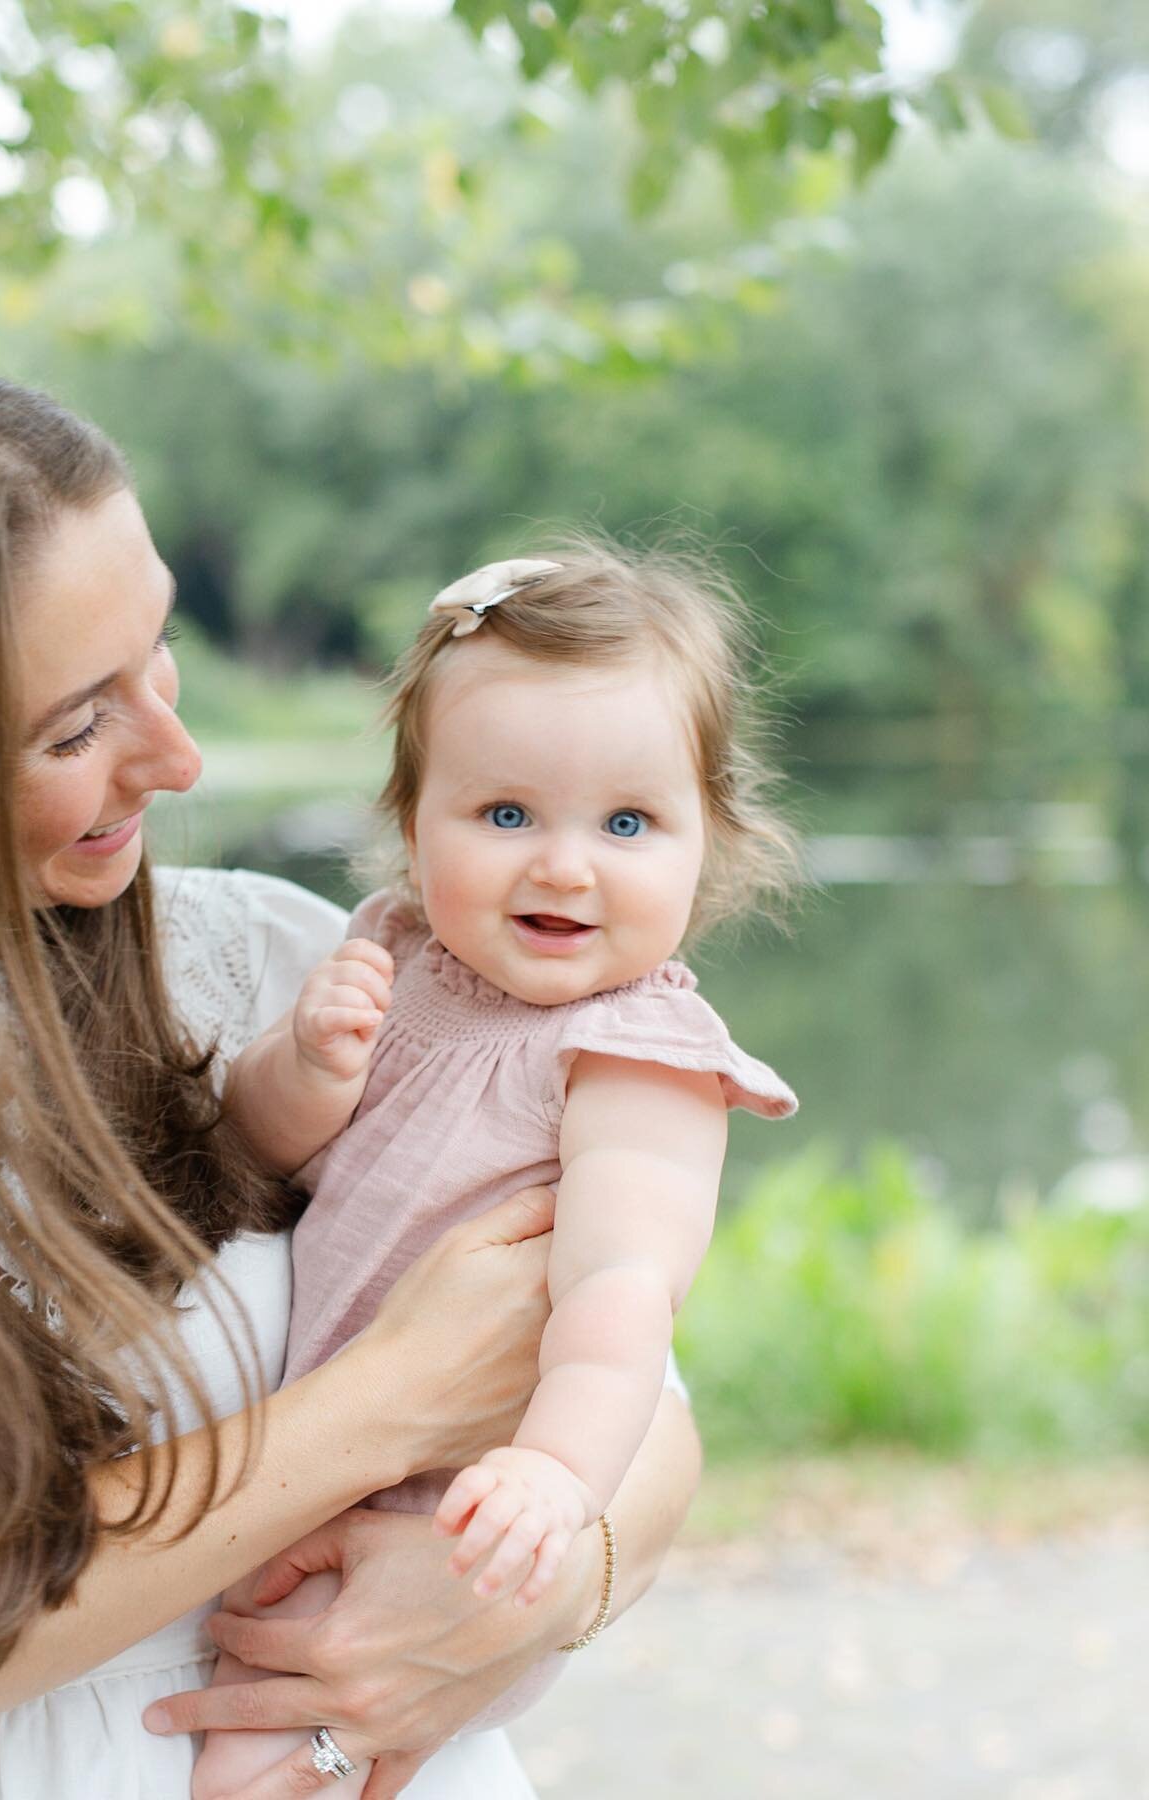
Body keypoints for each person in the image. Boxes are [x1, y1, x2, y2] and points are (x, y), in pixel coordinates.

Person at [0, 350, 702, 1798]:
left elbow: (648, 1408)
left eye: (156, 651)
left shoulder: (282, 966)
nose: (175, 756)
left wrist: (536, 1597)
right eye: (76, 724)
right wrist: (390, 1404)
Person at [194, 548, 798, 1799]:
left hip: (464, 1515)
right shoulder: (399, 955)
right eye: (507, 815)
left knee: (260, 1761)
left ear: (710, 837)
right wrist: (305, 1067)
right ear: (414, 823)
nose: (566, 866)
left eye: (627, 824)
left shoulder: (636, 1057)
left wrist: (559, 1476)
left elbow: (622, 1292)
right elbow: (250, 1157)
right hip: (331, 1456)